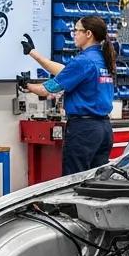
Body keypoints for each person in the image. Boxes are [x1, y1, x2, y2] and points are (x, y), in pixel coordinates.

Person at [21, 16, 115, 175]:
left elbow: (47, 89)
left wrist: (26, 85)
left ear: (88, 34)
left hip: (84, 131)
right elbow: (65, 71)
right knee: (96, 182)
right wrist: (33, 53)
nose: (74, 34)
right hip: (104, 130)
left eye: (77, 30)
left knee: (73, 181)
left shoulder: (83, 61)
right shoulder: (102, 58)